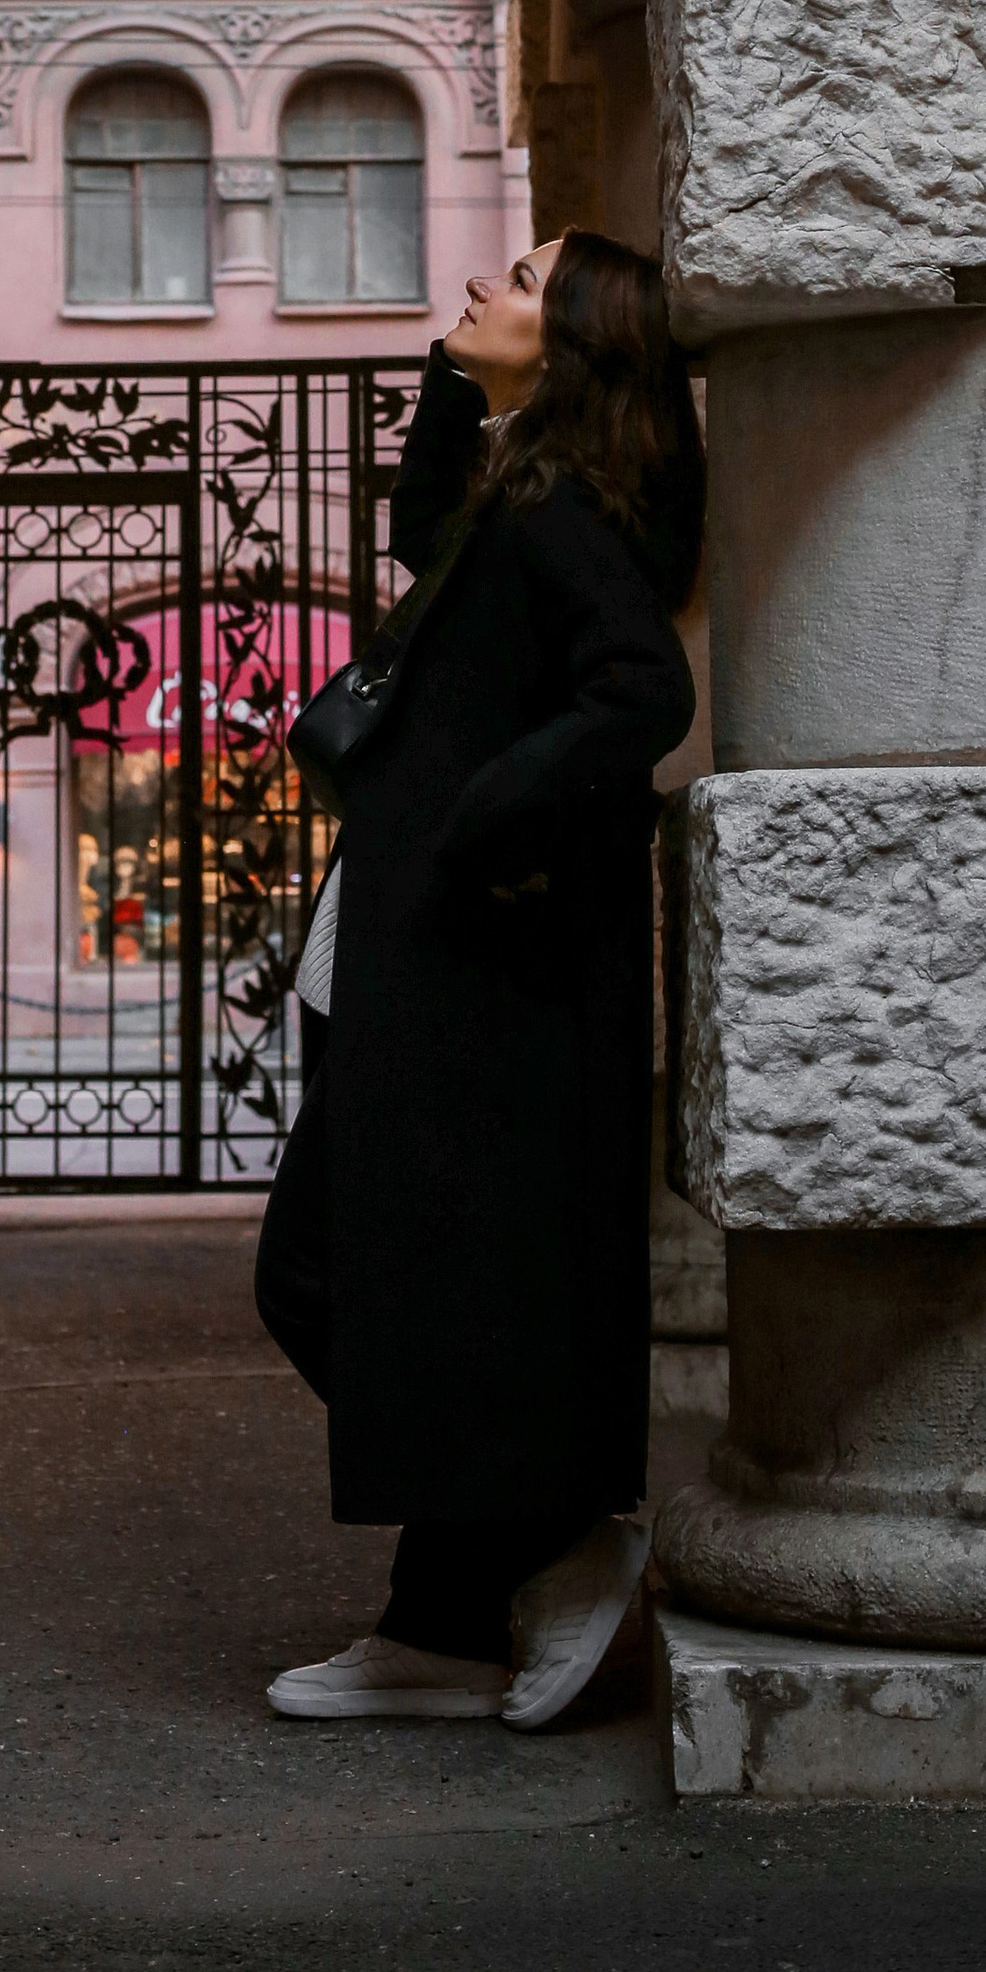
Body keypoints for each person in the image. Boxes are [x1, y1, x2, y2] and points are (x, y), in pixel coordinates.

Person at [256, 227, 703, 1728]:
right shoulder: (521, 486)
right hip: (432, 952)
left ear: (572, 342)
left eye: (515, 282)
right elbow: (415, 526)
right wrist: (453, 380)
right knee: (404, 1283)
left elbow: (643, 693)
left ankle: (530, 1542)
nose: (478, 284)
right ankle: (457, 1613)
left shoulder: (565, 508)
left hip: (481, 962)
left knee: (334, 1274)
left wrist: (479, 815)